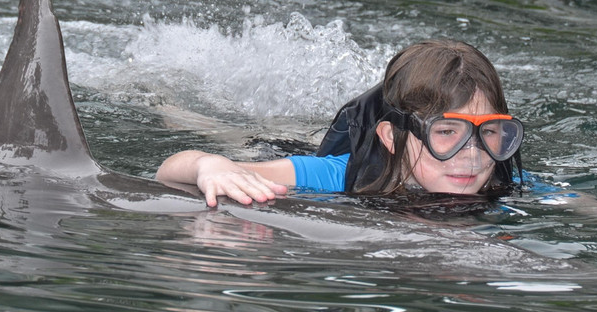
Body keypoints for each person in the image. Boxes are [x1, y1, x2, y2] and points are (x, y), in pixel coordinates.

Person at [155, 39, 524, 208]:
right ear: (392, 137)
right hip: (305, 152)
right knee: (248, 138)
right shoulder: (334, 176)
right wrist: (210, 166)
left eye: (489, 133)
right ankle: (164, 103)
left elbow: (579, 203)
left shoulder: (498, 178)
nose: (473, 156)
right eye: (446, 132)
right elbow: (169, 172)